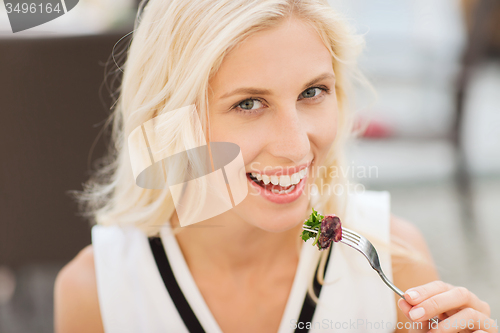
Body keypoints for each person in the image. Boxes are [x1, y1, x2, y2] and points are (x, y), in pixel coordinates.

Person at [54, 0, 496, 332]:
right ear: (171, 123)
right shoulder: (97, 292)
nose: (295, 145)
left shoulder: (393, 263)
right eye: (249, 103)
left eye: (312, 92)